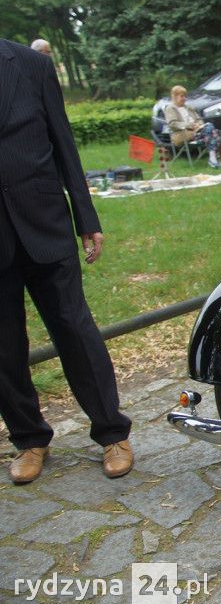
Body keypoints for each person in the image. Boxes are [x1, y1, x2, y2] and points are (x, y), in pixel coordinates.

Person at [0, 39, 133, 483]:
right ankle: (29, 439)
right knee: (4, 345)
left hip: (45, 222)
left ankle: (112, 432)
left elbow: (64, 143)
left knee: (75, 329)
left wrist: (86, 217)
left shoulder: (31, 65)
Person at [163, 86, 221, 167]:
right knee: (213, 131)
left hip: (198, 132)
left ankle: (213, 158)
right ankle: (214, 158)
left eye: (185, 96)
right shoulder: (170, 108)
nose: (184, 98)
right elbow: (172, 124)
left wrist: (199, 125)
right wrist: (190, 125)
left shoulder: (188, 107)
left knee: (214, 131)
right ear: (174, 96)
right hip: (182, 134)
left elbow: (199, 119)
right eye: (182, 96)